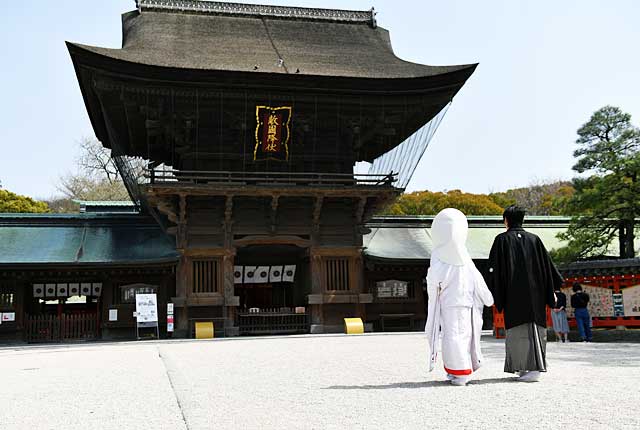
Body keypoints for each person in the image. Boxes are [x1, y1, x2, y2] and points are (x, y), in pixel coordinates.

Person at [487, 205, 563, 382]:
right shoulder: (534, 240)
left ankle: (524, 367)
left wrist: (493, 291)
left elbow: (494, 270)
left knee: (516, 330)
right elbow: (547, 267)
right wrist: (550, 289)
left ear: (506, 220)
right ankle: (535, 366)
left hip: (513, 295)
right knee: (536, 328)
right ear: (523, 220)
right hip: (536, 294)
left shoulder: (502, 240)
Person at [425, 208, 494, 386]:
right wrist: (488, 299)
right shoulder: (465, 256)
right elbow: (478, 280)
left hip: (449, 303)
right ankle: (462, 369)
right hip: (467, 303)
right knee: (465, 335)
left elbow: (434, 279)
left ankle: (460, 372)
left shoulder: (438, 254)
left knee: (452, 337)